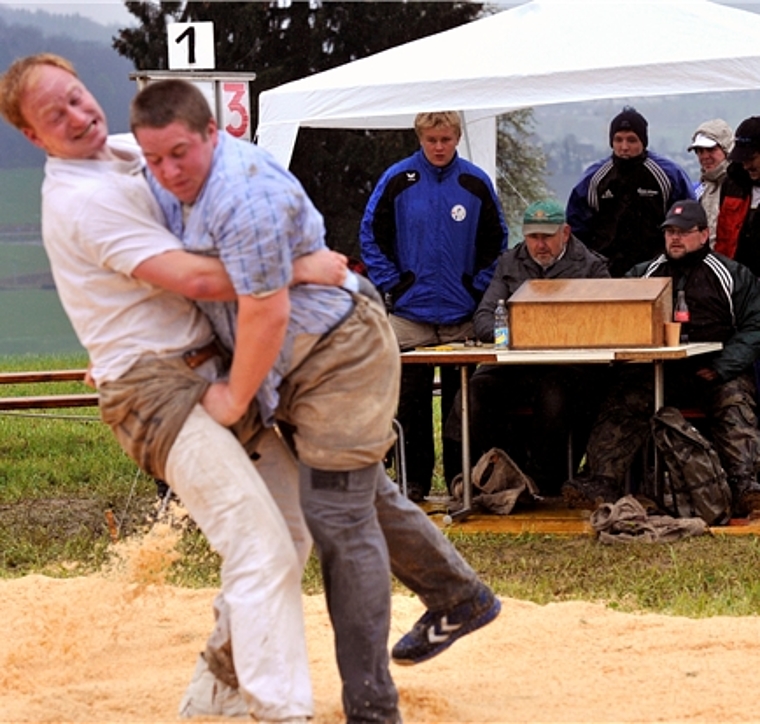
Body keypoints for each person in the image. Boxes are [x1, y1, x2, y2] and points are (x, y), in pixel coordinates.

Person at [130, 81, 501, 724]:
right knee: (360, 491)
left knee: (336, 515)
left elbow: (264, 311)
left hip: (336, 356)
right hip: (286, 359)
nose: (167, 172)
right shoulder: (162, 187)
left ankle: (372, 707)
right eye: (153, 159)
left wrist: (231, 400)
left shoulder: (247, 193)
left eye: (179, 155)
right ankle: (458, 594)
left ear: (214, 136)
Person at [0, 53, 332, 723]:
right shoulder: (79, 199)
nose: (76, 114)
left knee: (290, 531)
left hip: (205, 368)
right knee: (257, 542)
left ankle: (213, 699)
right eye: (53, 115)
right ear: (34, 138)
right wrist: (304, 265)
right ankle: (281, 712)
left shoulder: (124, 152)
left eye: (75, 96)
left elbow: (217, 167)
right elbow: (205, 280)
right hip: (153, 390)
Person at [562, 199, 760, 518]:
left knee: (734, 402)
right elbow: (616, 316)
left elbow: (755, 325)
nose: (675, 238)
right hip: (655, 372)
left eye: (683, 232)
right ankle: (600, 481)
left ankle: (745, 485)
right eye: (669, 231)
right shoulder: (643, 274)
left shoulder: (733, 275)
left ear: (704, 234)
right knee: (622, 402)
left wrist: (723, 366)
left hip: (714, 372)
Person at [359, 111, 509, 502]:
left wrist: (475, 287)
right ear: (420, 139)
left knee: (463, 405)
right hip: (410, 315)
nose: (439, 147)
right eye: (431, 140)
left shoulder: (474, 182)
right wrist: (395, 283)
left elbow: (497, 241)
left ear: (457, 137)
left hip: (461, 316)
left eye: (445, 139)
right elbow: (370, 236)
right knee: (409, 401)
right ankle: (414, 480)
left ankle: (464, 480)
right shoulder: (397, 179)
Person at [444, 199, 610, 495]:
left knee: (554, 396)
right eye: (533, 237)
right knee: (474, 393)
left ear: (566, 232)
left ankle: (543, 481)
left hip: (568, 368)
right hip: (513, 365)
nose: (540, 245)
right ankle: (504, 470)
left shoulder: (592, 267)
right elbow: (483, 318)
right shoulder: (509, 262)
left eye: (547, 237)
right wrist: (519, 332)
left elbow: (606, 321)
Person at [567, 106, 694, 277]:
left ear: (643, 141)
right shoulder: (594, 179)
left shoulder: (668, 175)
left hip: (656, 270)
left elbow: (688, 219)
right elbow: (576, 228)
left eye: (631, 140)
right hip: (606, 272)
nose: (624, 147)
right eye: (618, 140)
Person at [713, 115, 760, 277]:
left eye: (751, 159)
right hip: (736, 281)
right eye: (742, 159)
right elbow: (723, 239)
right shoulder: (732, 185)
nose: (746, 166)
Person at [688, 118, 734, 247]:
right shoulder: (696, 191)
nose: (705, 156)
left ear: (726, 149)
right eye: (700, 151)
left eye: (711, 150)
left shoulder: (740, 188)